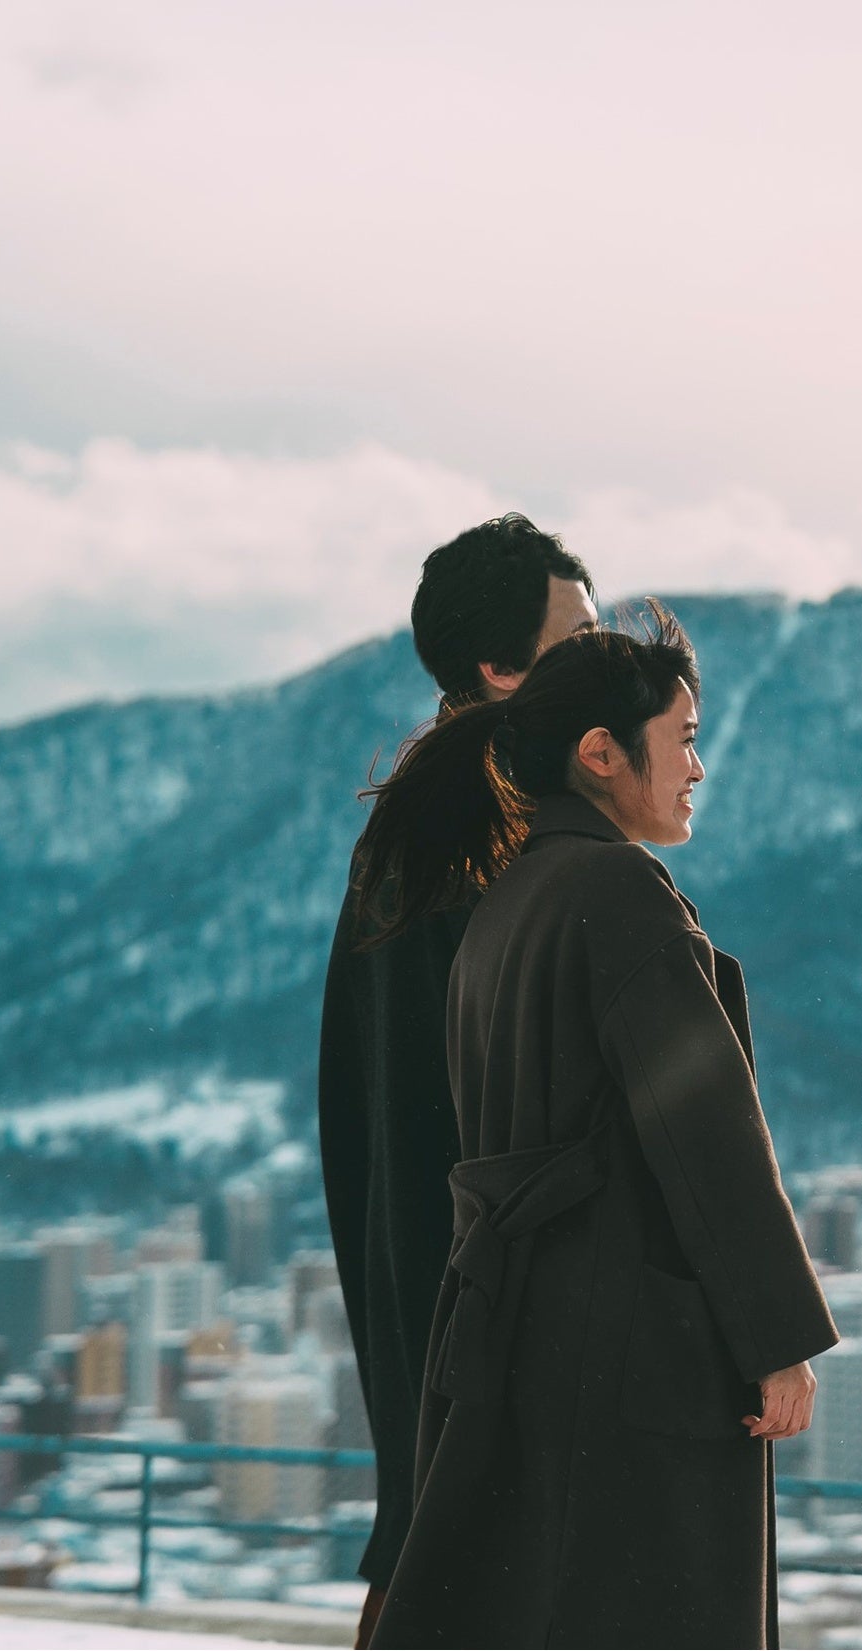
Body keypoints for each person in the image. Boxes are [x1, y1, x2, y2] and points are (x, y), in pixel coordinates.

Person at [360, 611, 836, 1649]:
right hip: (628, 1347)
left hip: (518, 1329)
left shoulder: (506, 902)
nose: (698, 765)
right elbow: (704, 1121)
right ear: (602, 753)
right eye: (686, 736)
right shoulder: (619, 889)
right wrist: (778, 1338)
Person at [318, 516, 596, 1644]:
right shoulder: (484, 830)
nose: (598, 655)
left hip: (428, 1262)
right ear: (500, 667)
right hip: (482, 1281)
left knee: (442, 1547)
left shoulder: (428, 812)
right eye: (575, 633)